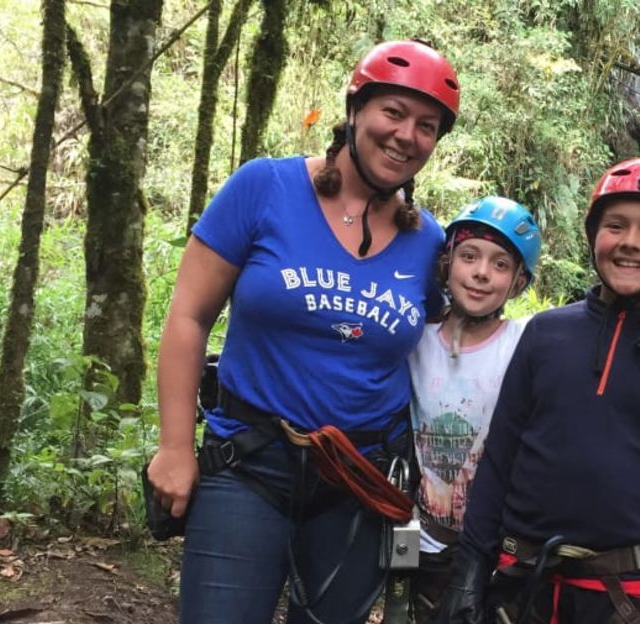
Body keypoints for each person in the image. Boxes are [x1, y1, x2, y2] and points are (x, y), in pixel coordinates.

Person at [145, 40, 461, 624]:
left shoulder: (432, 246)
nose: (406, 135)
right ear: (355, 110)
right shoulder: (263, 188)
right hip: (249, 463)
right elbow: (189, 315)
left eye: (427, 126)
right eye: (392, 112)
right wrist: (172, 447)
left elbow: (454, 358)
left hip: (361, 480)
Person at [435, 158, 640, 624]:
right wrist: (469, 571)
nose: (631, 243)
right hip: (525, 588)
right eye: (615, 225)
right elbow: (500, 459)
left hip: (636, 594)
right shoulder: (545, 334)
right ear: (593, 236)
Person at [408, 196, 542, 622]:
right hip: (428, 544)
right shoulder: (414, 341)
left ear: (519, 282)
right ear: (447, 264)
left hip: (500, 551)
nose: (482, 273)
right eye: (469, 256)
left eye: (501, 264)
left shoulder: (524, 343)